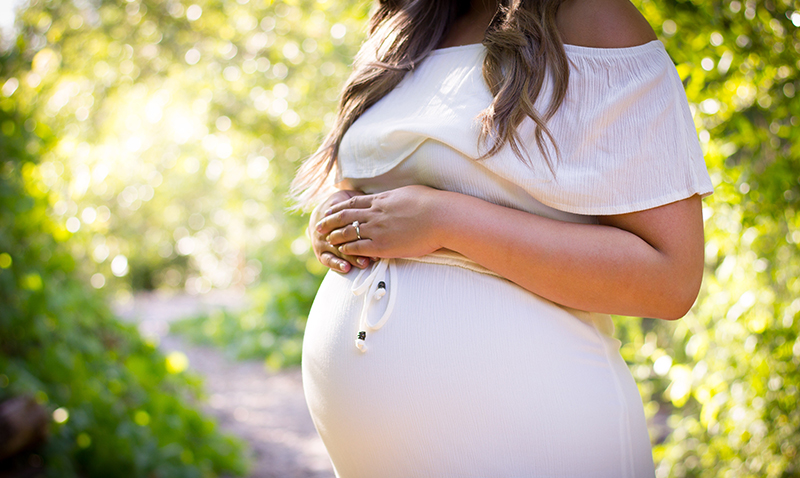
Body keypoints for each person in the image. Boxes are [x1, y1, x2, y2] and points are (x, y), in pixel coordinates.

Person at [293, 0, 713, 476]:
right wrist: (336, 217)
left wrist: (446, 220)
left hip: (544, 439)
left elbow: (669, 277)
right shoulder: (407, 26)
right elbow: (367, 186)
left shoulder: (594, 16)